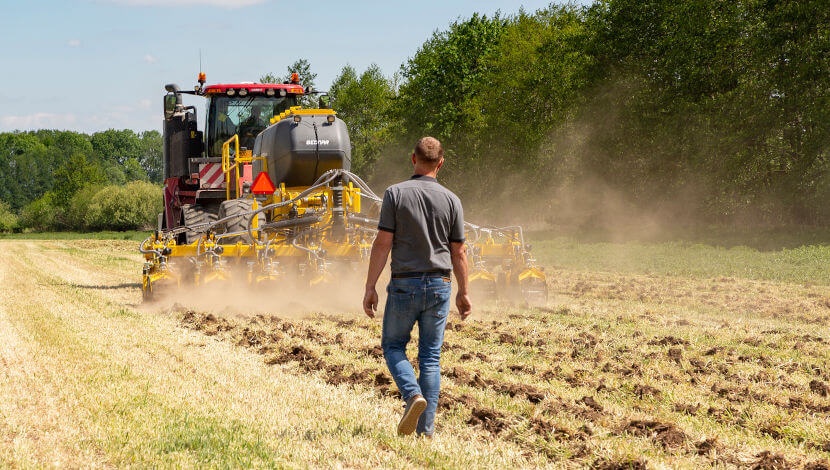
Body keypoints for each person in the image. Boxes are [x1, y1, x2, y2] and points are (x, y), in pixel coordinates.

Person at [363, 136, 472, 437]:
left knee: (393, 346)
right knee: (430, 358)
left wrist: (370, 286)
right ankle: (426, 434)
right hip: (440, 284)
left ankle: (412, 395)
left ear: (413, 159)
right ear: (441, 163)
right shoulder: (452, 200)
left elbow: (383, 243)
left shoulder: (395, 194)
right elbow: (459, 251)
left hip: (404, 284)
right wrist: (463, 291)